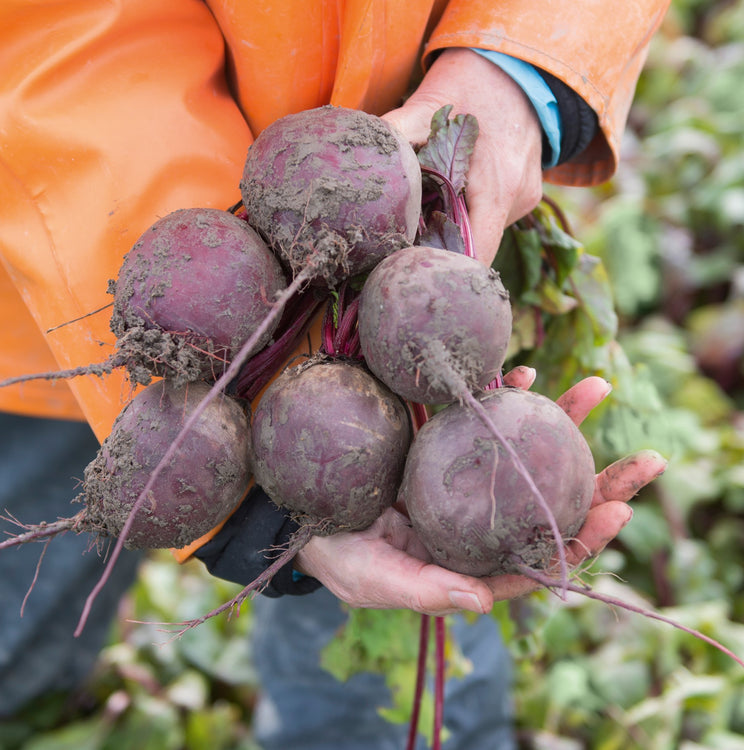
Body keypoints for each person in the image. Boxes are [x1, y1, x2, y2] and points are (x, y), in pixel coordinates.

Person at [0, 1, 671, 745]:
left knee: (381, 660)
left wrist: (516, 66)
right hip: (70, 257)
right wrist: (257, 503)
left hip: (356, 411)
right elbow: (62, 42)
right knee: (24, 613)